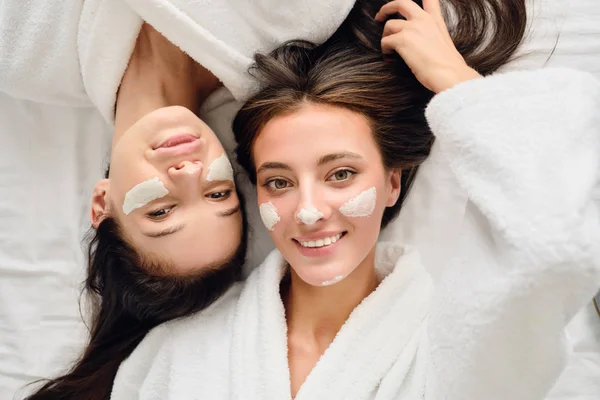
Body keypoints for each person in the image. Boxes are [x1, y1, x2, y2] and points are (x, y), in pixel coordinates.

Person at [111, 1, 600, 399]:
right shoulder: (175, 355)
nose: (307, 211)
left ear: (392, 183)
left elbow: (551, 246)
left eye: (340, 174)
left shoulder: (447, 346)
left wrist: (458, 84)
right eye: (278, 182)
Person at [19, 0, 356, 397]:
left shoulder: (27, 55)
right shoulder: (295, 17)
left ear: (102, 204)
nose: (190, 172)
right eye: (217, 193)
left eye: (161, 211)